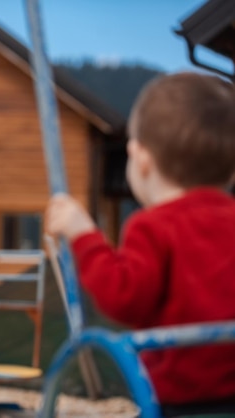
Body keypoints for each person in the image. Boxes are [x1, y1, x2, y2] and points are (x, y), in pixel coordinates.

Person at [45, 72, 235, 416]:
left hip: (180, 400)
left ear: (140, 158)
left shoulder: (153, 226)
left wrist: (84, 235)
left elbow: (124, 298)